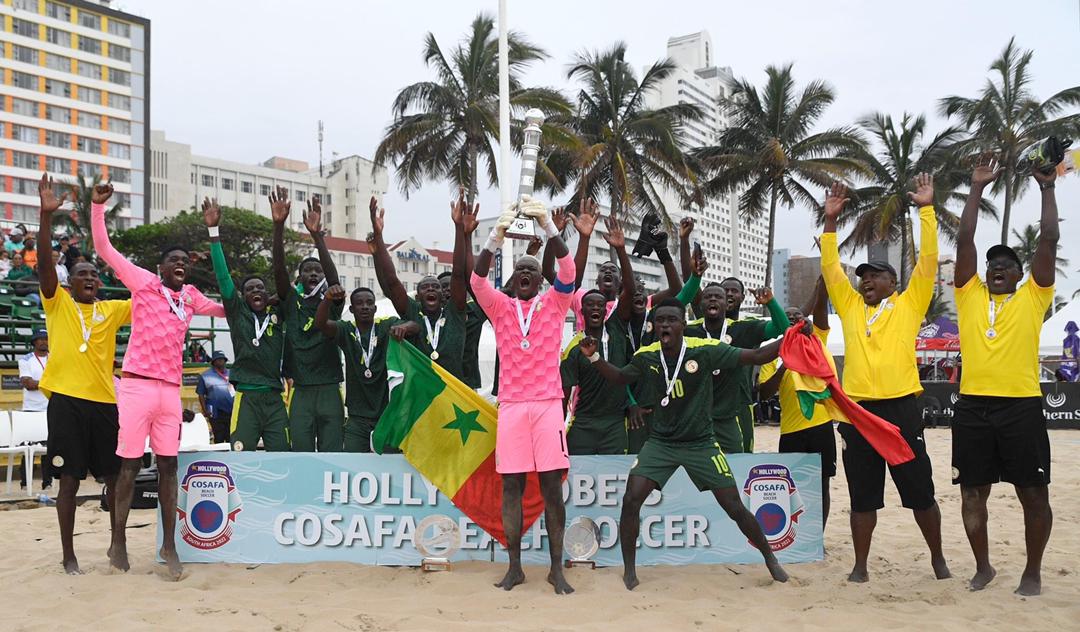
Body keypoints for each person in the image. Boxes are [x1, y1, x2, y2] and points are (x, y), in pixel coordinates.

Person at [580, 297, 793, 590]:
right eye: (660, 321)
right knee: (631, 500)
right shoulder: (646, 355)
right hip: (661, 443)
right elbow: (619, 377)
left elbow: (757, 357)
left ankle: (770, 558)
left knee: (733, 506)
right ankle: (630, 570)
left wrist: (791, 336)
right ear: (654, 327)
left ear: (683, 325)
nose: (665, 325)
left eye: (671, 320)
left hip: (701, 443)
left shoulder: (704, 351)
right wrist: (593, 357)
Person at [92, 179, 225, 579]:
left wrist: (260, 298)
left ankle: (169, 546)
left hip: (170, 391)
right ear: (161, 268)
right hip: (134, 385)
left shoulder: (191, 298)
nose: (180, 264)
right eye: (173, 260)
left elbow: (225, 309)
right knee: (129, 468)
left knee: (169, 468)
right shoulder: (143, 284)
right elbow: (105, 250)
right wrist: (98, 209)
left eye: (185, 260)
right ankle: (118, 541)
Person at [821, 177, 949, 584]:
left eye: (874, 276)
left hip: (901, 410)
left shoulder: (908, 305)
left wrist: (926, 210)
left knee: (919, 492)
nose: (865, 281)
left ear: (892, 283)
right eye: (862, 277)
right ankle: (860, 566)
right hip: (858, 412)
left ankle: (937, 559)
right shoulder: (852, 307)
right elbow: (829, 268)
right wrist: (829, 222)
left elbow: (928, 262)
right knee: (862, 494)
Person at [952, 155, 1059, 595]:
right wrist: (976, 188)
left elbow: (1049, 239)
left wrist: (1047, 187)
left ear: (1021, 275)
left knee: (1032, 494)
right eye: (992, 263)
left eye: (1007, 264)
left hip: (1021, 407)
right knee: (972, 496)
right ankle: (984, 567)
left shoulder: (1034, 297)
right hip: (973, 406)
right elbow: (964, 242)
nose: (997, 267)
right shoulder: (968, 296)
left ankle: (1032, 571)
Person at [470, 194, 576, 594]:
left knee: (551, 487)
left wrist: (550, 227)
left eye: (533, 268)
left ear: (540, 278)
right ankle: (514, 567)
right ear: (514, 280)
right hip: (513, 407)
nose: (527, 272)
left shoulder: (555, 302)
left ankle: (555, 569)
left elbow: (568, 268)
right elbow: (477, 280)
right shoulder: (499, 308)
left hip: (549, 405)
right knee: (511, 487)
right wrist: (495, 236)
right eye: (521, 270)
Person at [35, 172, 132, 574]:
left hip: (104, 403)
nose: (90, 278)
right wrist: (45, 217)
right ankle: (69, 555)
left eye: (94, 274)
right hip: (65, 401)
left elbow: (144, 294)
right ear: (69, 282)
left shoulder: (112, 310)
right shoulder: (56, 304)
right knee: (69, 482)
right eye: (82, 274)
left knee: (112, 479)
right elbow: (43, 264)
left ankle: (116, 546)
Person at [204, 197, 290, 452]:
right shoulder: (237, 312)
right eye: (250, 288)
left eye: (261, 288)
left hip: (275, 397)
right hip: (247, 397)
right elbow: (222, 275)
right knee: (241, 455)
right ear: (242, 296)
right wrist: (213, 232)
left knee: (283, 455)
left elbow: (284, 275)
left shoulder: (278, 313)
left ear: (267, 294)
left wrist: (278, 226)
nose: (256, 291)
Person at [758, 277, 837, 530]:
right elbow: (763, 394)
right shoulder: (771, 352)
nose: (792, 318)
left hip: (821, 426)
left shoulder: (817, 341)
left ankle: (818, 538)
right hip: (791, 430)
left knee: (822, 484)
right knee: (791, 487)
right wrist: (784, 365)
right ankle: (796, 536)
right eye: (787, 315)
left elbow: (820, 301)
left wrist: (825, 271)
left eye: (797, 316)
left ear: (806, 322)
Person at [273, 191, 346, 452]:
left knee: (333, 454)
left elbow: (334, 279)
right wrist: (278, 227)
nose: (313, 274)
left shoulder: (333, 300)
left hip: (329, 390)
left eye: (317, 271)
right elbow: (279, 270)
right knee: (301, 454)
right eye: (307, 271)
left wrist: (318, 237)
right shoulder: (291, 301)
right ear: (300, 276)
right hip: (301, 390)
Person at [369, 195, 469, 383]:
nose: (430, 289)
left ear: (443, 296)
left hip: (452, 393)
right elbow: (391, 281)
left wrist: (459, 227)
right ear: (418, 296)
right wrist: (379, 237)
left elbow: (458, 273)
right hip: (420, 395)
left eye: (435, 287)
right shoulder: (412, 311)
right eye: (425, 287)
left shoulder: (454, 312)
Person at [560, 215, 637, 454]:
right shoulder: (575, 348)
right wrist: (557, 431)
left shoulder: (616, 327)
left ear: (607, 310)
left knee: (615, 482)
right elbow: (564, 393)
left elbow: (630, 291)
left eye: (599, 306)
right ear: (580, 310)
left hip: (615, 423)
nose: (595, 308)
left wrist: (621, 250)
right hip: (583, 422)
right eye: (590, 305)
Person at [685, 282, 790, 454]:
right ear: (700, 303)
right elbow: (666, 315)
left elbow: (783, 329)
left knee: (741, 461)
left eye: (719, 297)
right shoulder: (688, 331)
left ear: (727, 303)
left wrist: (771, 302)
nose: (713, 299)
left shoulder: (742, 328)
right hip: (697, 412)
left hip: (735, 408)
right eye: (708, 296)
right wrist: (694, 277)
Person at [314, 284, 419, 452]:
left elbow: (415, 325)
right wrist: (327, 299)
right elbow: (320, 324)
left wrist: (403, 328)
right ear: (352, 308)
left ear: (375, 308)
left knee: (389, 467)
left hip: (387, 416)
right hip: (357, 420)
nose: (365, 306)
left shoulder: (386, 326)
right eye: (359, 303)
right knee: (352, 466)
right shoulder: (345, 330)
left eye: (369, 303)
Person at [17, 328, 51, 490]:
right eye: (40, 339)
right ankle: (25, 483)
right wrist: (51, 384)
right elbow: (28, 385)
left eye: (46, 338)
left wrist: (41, 383)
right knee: (28, 448)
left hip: (50, 408)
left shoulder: (55, 358)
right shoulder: (26, 360)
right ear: (34, 342)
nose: (44, 341)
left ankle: (48, 482)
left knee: (49, 447)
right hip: (31, 410)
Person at [196, 351, 234, 444]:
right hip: (215, 412)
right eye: (219, 360)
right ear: (213, 362)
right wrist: (205, 410)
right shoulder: (205, 376)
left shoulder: (232, 374)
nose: (221, 362)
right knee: (219, 437)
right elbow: (201, 394)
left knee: (231, 437)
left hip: (231, 410)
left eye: (223, 360)